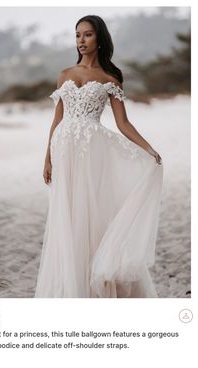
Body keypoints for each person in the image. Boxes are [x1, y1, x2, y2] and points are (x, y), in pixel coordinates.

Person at [34, 15, 163, 298]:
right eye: (77, 35)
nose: (81, 40)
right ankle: (70, 284)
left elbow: (123, 123)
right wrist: (47, 157)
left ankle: (93, 282)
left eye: (87, 34)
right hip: (63, 150)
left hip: (92, 152)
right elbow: (56, 120)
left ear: (99, 38)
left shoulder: (109, 78)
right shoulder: (65, 74)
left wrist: (149, 149)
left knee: (91, 211)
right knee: (66, 214)